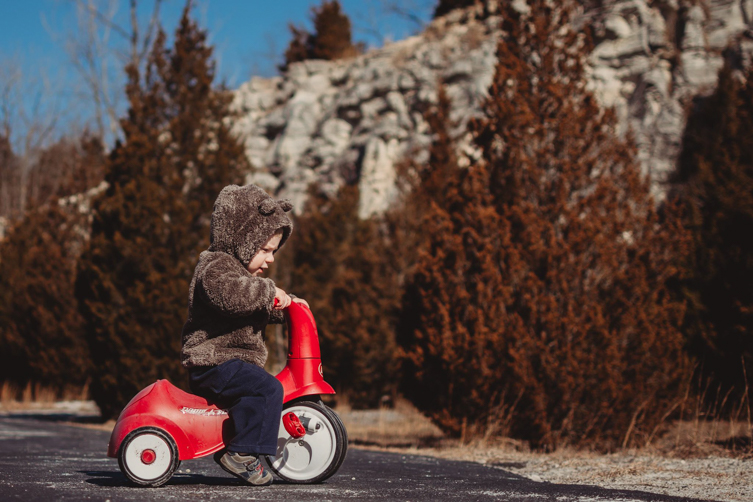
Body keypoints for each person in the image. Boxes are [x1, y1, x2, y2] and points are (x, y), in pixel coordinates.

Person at [181, 184, 306, 486]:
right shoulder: (216, 267)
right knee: (269, 390)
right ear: (240, 238)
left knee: (259, 388)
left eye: (273, 251)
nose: (270, 259)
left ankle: (242, 440)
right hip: (213, 364)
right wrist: (269, 293)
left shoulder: (241, 274)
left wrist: (284, 307)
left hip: (230, 365)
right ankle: (240, 454)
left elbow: (249, 306)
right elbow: (231, 296)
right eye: (264, 250)